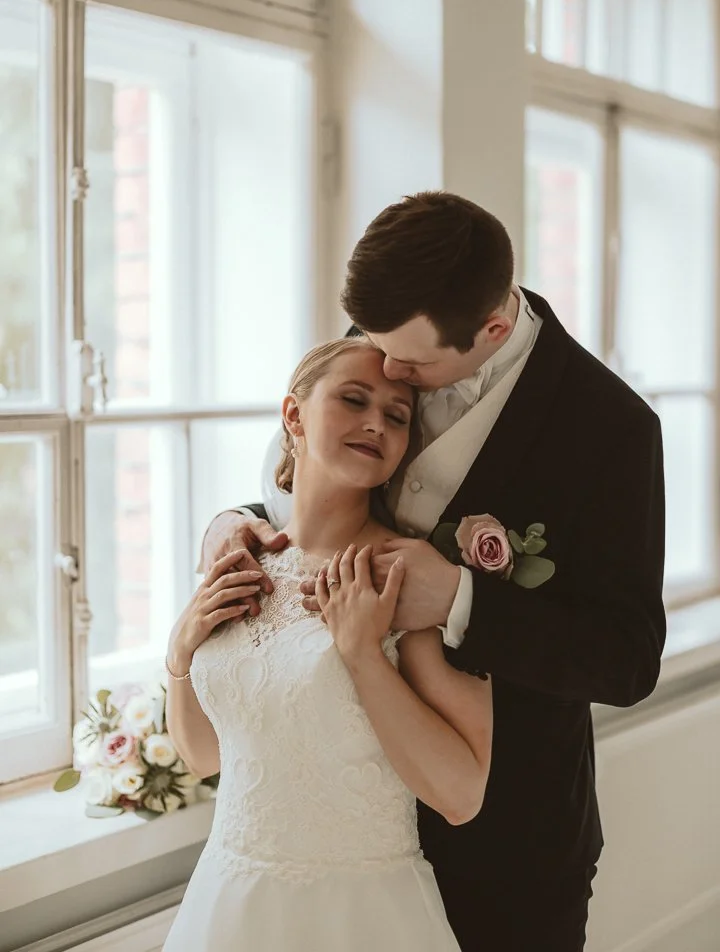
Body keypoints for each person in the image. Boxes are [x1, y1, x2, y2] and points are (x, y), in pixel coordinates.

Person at [202, 191, 666, 952]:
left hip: (506, 842)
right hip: (336, 830)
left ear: (493, 328)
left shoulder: (611, 429)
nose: (387, 369)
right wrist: (230, 520)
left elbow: (627, 659)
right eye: (372, 344)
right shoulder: (397, 327)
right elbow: (320, 472)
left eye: (410, 366)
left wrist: (459, 597)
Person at [163, 337, 492, 952]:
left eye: (397, 415)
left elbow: (460, 795)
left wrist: (364, 655)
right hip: (230, 900)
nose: (376, 423)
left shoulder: (406, 579)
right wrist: (179, 654)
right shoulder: (242, 561)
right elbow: (206, 757)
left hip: (361, 915)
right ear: (294, 414)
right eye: (354, 400)